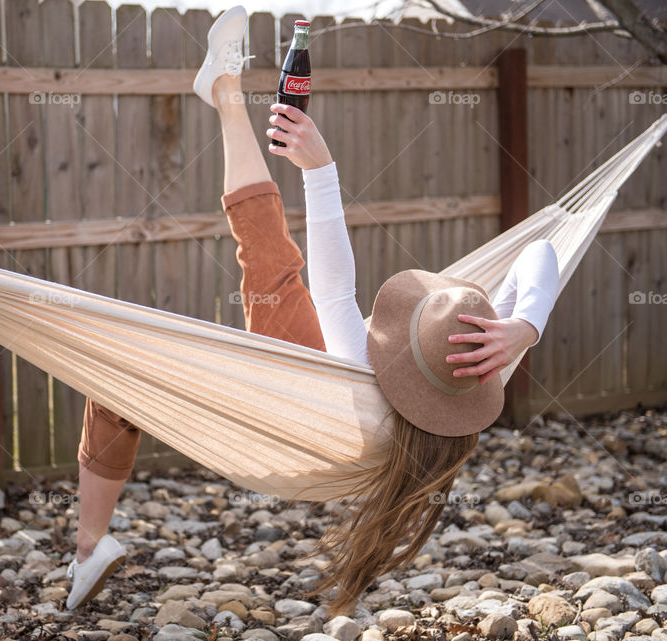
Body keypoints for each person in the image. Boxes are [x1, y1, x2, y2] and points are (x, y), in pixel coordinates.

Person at [66, 5, 559, 615]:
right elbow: (542, 248)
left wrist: (321, 169)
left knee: (115, 371)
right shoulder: (477, 366)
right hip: (327, 397)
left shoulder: (381, 357)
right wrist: (524, 328)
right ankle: (223, 91)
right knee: (267, 260)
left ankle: (88, 545)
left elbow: (334, 291)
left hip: (297, 411)